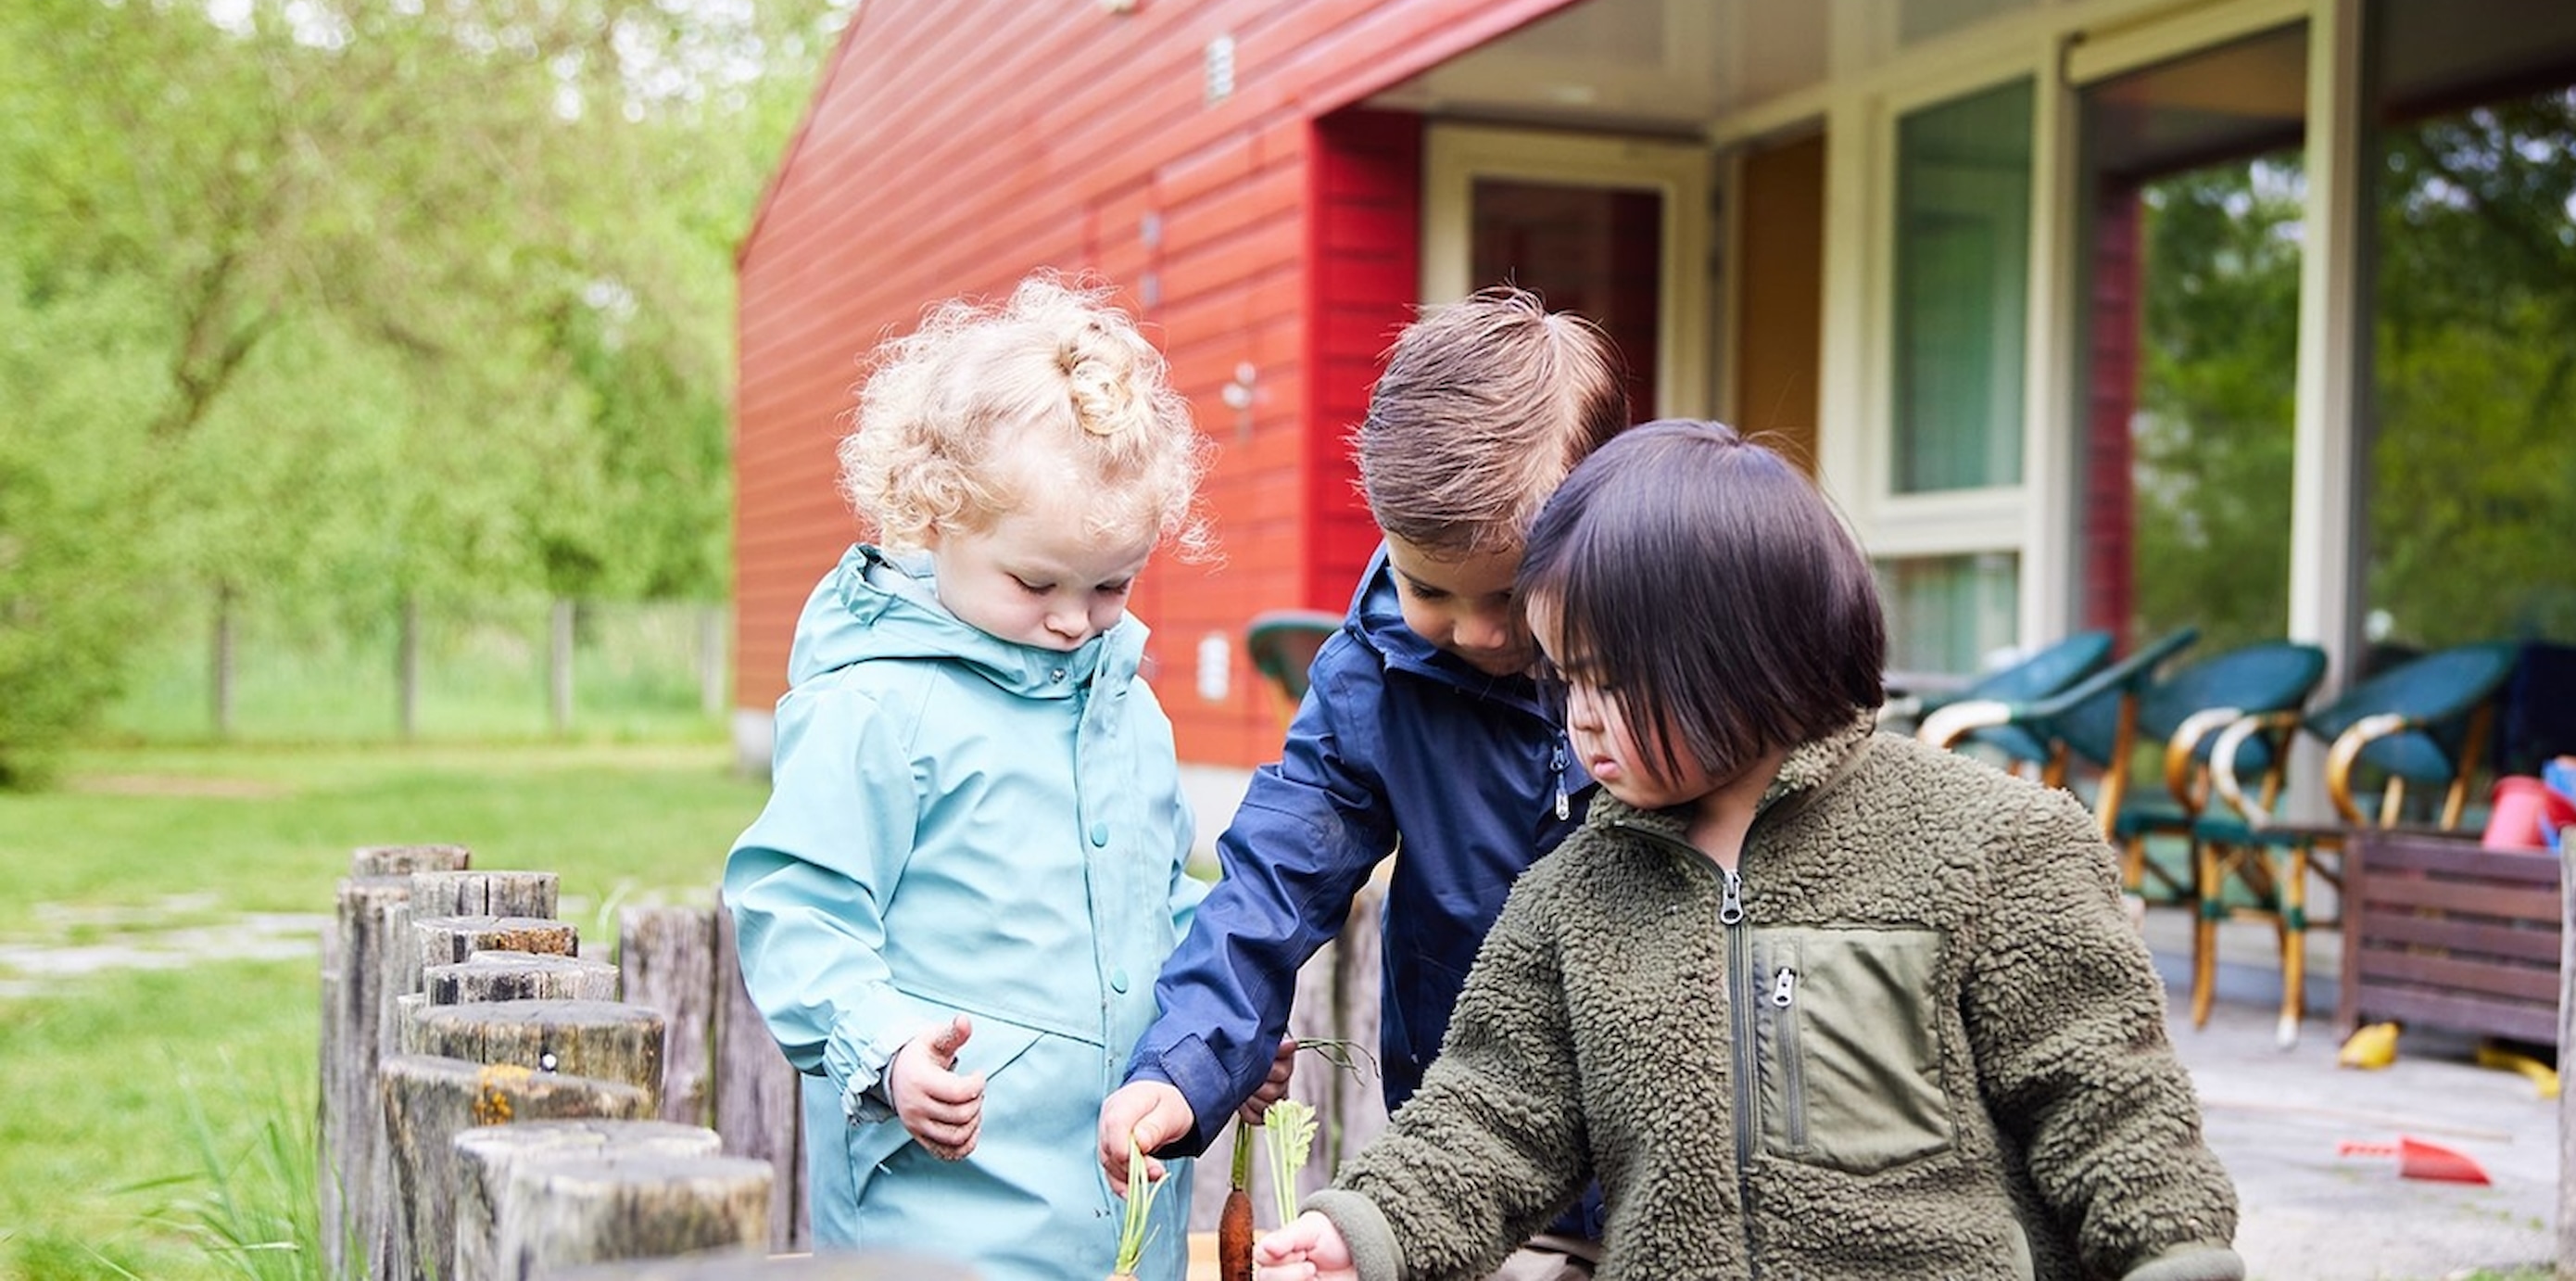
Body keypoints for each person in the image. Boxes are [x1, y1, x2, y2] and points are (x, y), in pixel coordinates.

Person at [1253, 419, 2247, 1281]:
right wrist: (1362, 1227)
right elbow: (1491, 1111)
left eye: (1608, 681)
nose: (1579, 720)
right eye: (1566, 680)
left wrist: (2171, 1252)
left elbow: (2105, 1095)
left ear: (1740, 656)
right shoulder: (1571, 894)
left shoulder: (1993, 843)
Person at [1099, 288, 1628, 1276]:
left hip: (1656, 1168)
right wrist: (1183, 1063)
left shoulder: (1660, 667)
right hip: (1474, 1173)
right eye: (1431, 588)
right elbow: (1272, 879)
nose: (1476, 631)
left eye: (1511, 595)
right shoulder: (1374, 673)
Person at [725, 276, 1216, 1281]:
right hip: (940, 1221)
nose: (1077, 619)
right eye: (1036, 581)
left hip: (1124, 1223)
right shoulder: (874, 708)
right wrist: (892, 1049)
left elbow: (1164, 900)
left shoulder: (1129, 710)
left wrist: (1212, 1043)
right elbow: (797, 909)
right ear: (933, 513)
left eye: (1111, 583)